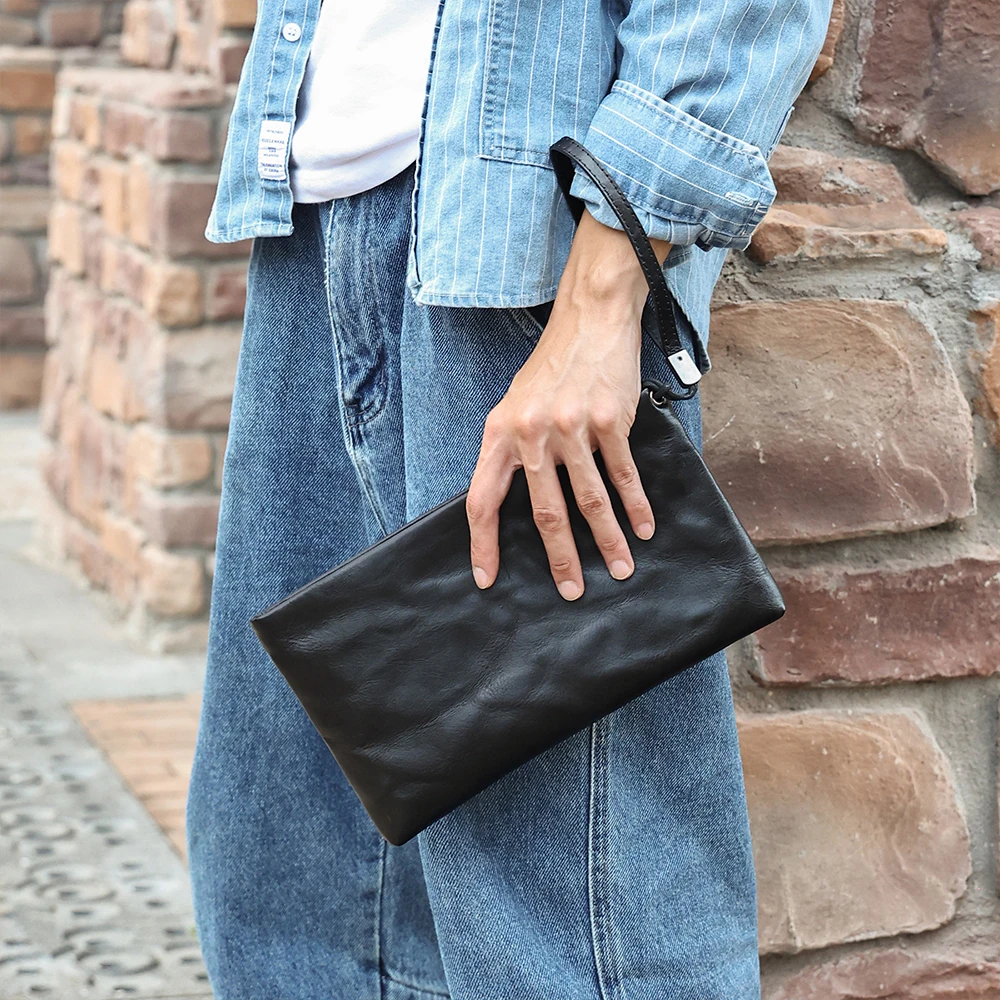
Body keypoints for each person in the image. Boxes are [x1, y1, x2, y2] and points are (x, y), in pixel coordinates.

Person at [187, 1, 832, 997]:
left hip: (519, 256)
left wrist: (600, 301)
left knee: (565, 935)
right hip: (316, 213)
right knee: (290, 897)